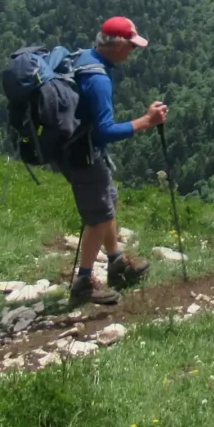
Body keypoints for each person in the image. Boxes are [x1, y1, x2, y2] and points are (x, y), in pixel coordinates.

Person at [65, 17, 167, 306]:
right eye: (131, 47)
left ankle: (117, 263)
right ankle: (84, 283)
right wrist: (146, 121)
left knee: (108, 203)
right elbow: (105, 131)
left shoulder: (85, 58)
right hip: (85, 155)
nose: (132, 53)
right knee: (98, 218)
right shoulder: (97, 79)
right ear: (117, 45)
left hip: (82, 150)